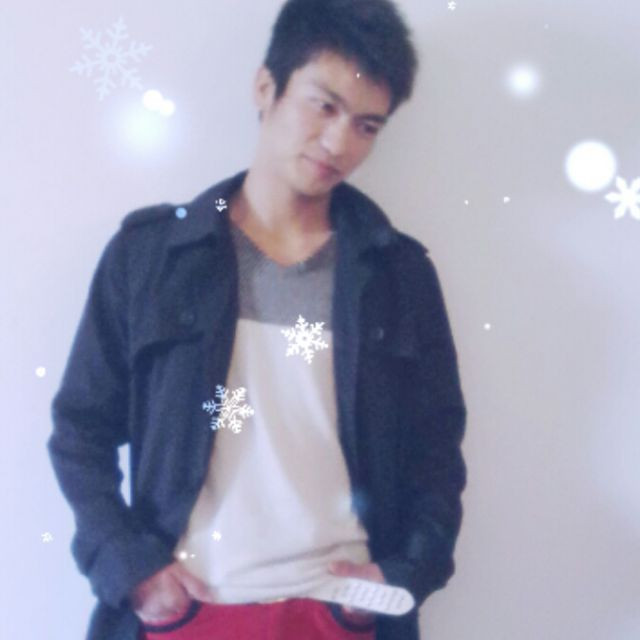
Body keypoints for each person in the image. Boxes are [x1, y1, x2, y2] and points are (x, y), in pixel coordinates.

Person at [48, 1, 468, 639]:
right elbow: (80, 431)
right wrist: (131, 568)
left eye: (366, 126)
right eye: (323, 106)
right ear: (266, 87)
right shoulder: (151, 257)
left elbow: (436, 452)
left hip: (339, 617)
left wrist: (402, 575)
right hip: (186, 612)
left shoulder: (398, 276)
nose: (339, 143)